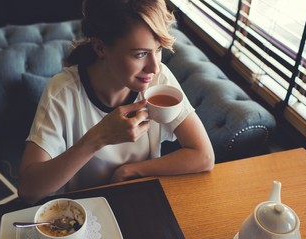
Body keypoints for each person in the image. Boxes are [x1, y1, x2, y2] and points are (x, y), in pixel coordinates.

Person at [18, 0, 214, 205]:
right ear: (100, 48)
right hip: (83, 212)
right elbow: (29, 190)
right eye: (140, 54)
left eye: (158, 50)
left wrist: (132, 170)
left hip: (139, 202)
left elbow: (204, 156)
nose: (154, 67)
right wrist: (98, 138)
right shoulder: (62, 92)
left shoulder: (159, 80)